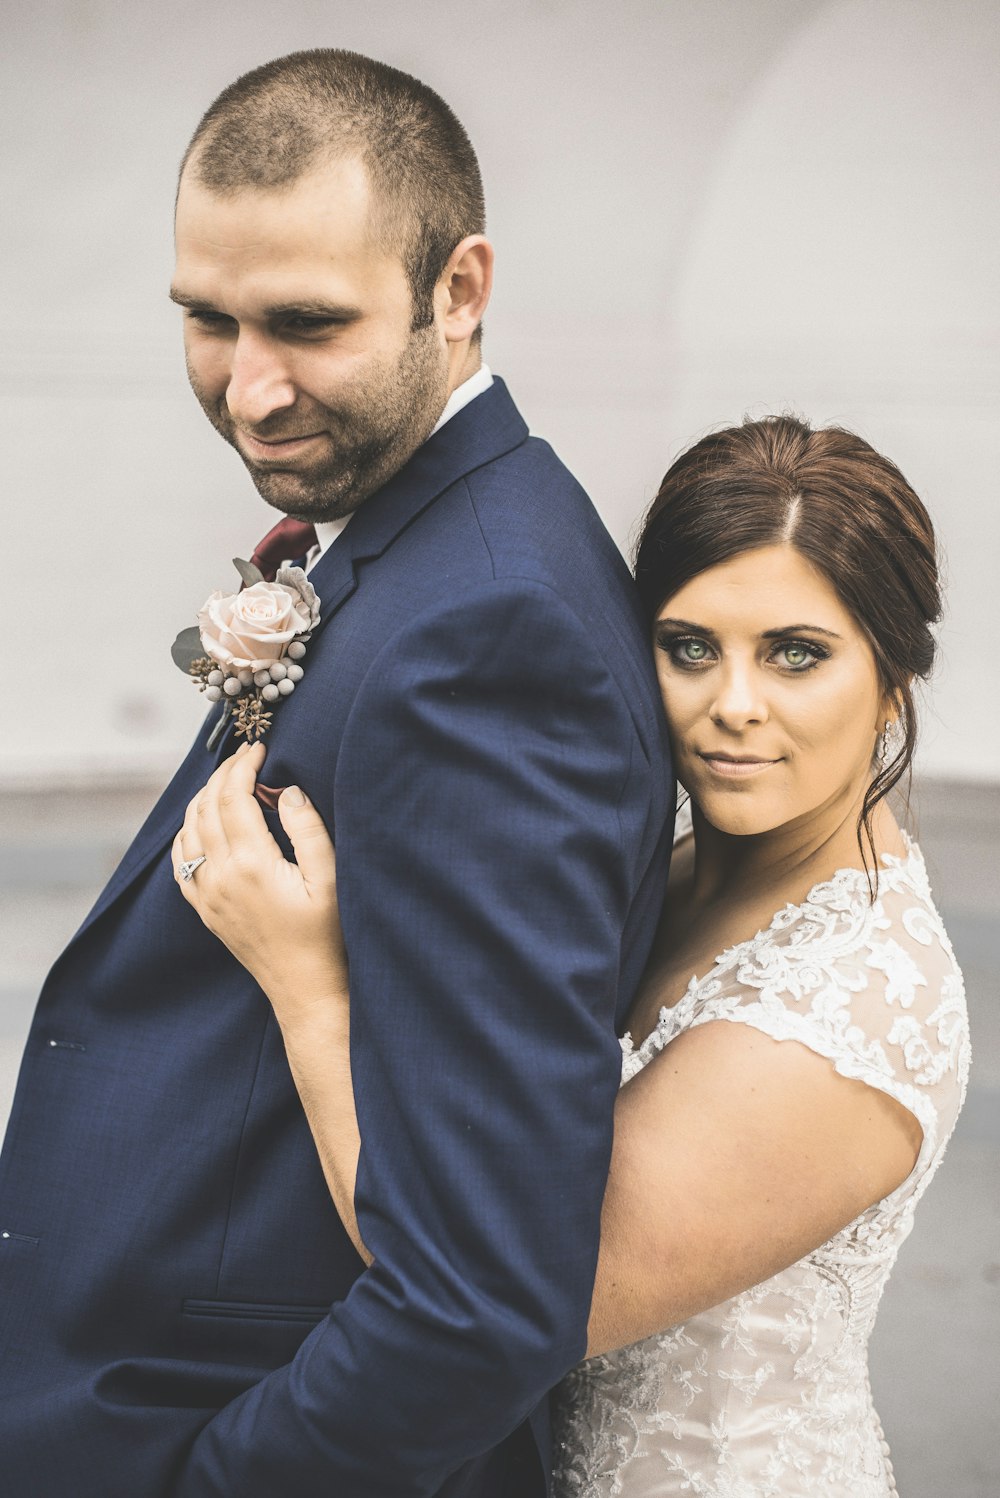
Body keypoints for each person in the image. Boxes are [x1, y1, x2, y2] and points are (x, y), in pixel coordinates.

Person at [0, 50, 673, 1498]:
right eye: (207, 319)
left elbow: (479, 1298)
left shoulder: (495, 634)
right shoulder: (406, 538)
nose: (249, 389)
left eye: (307, 323)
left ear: (461, 286)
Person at [173, 415, 970, 1497]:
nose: (732, 707)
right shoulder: (688, 864)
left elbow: (484, 1296)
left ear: (892, 680)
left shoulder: (850, 1011)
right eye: (690, 646)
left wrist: (310, 988)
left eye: (797, 653)